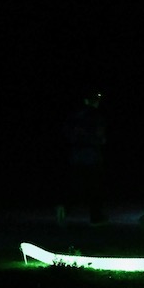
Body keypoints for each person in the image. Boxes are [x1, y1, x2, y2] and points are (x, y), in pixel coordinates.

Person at [56, 90, 108, 226]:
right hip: (92, 154)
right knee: (95, 186)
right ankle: (96, 217)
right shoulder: (96, 115)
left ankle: (63, 208)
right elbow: (100, 135)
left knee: (75, 184)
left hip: (76, 154)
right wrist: (99, 140)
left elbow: (65, 132)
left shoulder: (74, 115)